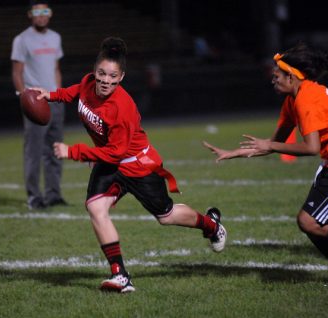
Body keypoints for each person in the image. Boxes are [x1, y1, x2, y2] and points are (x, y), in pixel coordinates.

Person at [31, 37, 227, 293]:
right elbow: (76, 92)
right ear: (94, 71)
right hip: (110, 161)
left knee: (166, 217)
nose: (105, 80)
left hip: (136, 165)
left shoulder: (122, 108)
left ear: (121, 77)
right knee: (95, 207)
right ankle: (120, 275)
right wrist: (51, 95)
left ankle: (212, 225)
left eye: (112, 76)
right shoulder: (89, 83)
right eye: (101, 73)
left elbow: (115, 153)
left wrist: (74, 152)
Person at [204, 42, 328, 285]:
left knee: (309, 221)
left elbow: (310, 148)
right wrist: (233, 153)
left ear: (291, 77)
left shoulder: (307, 99)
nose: (273, 79)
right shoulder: (295, 99)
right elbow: (274, 142)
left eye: (277, 75)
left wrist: (270, 146)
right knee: (311, 222)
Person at [11, 0, 66, 209]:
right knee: (33, 151)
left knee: (55, 149)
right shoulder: (22, 39)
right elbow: (17, 72)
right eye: (37, 12)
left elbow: (56, 69)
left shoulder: (55, 37)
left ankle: (54, 194)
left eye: (45, 11)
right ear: (30, 14)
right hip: (35, 102)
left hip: (54, 100)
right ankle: (34, 196)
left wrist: (59, 95)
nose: (41, 15)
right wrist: (24, 98)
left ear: (50, 14)